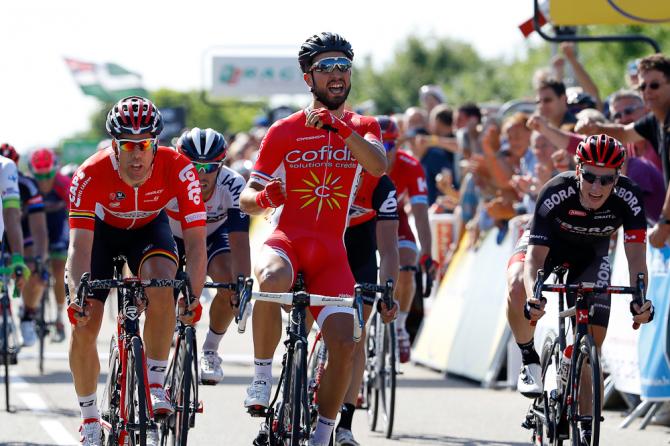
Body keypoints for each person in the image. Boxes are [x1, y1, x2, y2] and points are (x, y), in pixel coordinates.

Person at [239, 32, 388, 446]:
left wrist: (343, 130)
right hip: (288, 240)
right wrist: (267, 196)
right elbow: (247, 198)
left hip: (331, 254)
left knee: (346, 339)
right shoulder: (284, 131)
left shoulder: (363, 126)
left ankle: (324, 433)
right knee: (268, 283)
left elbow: (377, 166)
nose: (337, 74)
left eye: (343, 65)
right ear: (309, 78)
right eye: (326, 67)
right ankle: (262, 377)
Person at [66, 96, 207, 446]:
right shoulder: (89, 173)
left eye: (144, 145)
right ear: (114, 144)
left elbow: (196, 243)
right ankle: (89, 419)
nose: (136, 155)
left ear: (155, 142)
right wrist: (76, 296)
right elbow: (79, 249)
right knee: (85, 324)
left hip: (148, 228)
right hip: (101, 235)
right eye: (127, 145)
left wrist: (193, 294)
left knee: (163, 282)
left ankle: (155, 381)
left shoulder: (180, 168)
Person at [505, 135, 654, 445]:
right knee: (518, 283)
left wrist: (640, 298)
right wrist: (536, 294)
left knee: (591, 347)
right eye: (589, 176)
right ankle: (528, 356)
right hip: (548, 249)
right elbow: (535, 258)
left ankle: (584, 428)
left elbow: (637, 256)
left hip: (591, 256)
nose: (596, 187)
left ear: (617, 176)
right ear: (577, 171)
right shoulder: (556, 191)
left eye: (606, 179)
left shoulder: (629, 196)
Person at [166, 127, 250, 385]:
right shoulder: (166, 178)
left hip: (212, 235)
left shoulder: (233, 184)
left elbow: (240, 240)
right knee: (159, 288)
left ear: (222, 164)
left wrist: (241, 286)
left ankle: (210, 350)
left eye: (210, 167)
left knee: (228, 282)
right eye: (194, 167)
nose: (201, 175)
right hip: (170, 236)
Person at [335, 117, 400, 446]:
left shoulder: (383, 186)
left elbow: (388, 250)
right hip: (324, 241)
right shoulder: (326, 170)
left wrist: (389, 292)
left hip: (360, 246)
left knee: (357, 338)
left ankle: (345, 424)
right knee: (300, 315)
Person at [384, 118, 437, 363]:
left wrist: (426, 252)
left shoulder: (410, 165)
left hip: (395, 218)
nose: (385, 152)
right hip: (360, 221)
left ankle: (400, 327)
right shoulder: (359, 160)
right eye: (378, 145)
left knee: (407, 264)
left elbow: (421, 213)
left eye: (390, 146)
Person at [0, 144, 50, 345]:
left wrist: (39, 258)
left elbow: (39, 228)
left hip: (24, 232)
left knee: (36, 274)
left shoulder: (26, 185)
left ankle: (28, 316)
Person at [28, 148, 71, 342]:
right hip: (35, 228)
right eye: (39, 175)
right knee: (31, 267)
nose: (44, 180)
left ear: (55, 170)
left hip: (58, 227)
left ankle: (58, 316)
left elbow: (75, 212)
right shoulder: (29, 186)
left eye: (48, 174)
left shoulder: (64, 184)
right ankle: (28, 307)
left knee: (59, 268)